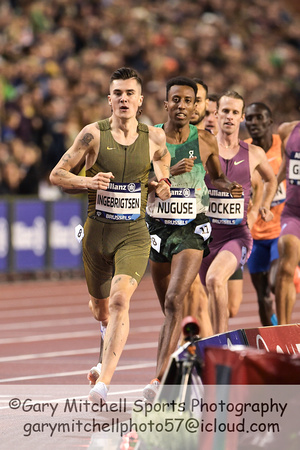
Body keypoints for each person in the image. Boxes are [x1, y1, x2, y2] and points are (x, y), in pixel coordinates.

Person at [49, 67, 171, 404]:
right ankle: (104, 338)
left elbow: (162, 168)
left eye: (130, 93)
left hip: (133, 234)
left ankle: (103, 382)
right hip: (96, 235)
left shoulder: (154, 139)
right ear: (109, 99)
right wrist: (88, 181)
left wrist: (162, 185)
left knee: (120, 301)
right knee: (101, 310)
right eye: (117, 93)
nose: (123, 99)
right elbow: (57, 174)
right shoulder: (93, 135)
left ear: (141, 100)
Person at [144, 78, 243, 400]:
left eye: (189, 100)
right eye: (177, 100)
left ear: (196, 105)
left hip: (193, 226)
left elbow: (218, 176)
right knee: (168, 309)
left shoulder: (205, 140)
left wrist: (229, 187)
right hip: (159, 227)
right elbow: (135, 179)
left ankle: (158, 382)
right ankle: (186, 364)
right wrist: (166, 173)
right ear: (166, 104)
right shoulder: (151, 138)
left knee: (175, 300)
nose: (183, 106)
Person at [199, 91, 277, 334]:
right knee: (209, 294)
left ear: (241, 117)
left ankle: (221, 345)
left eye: (235, 113)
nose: (230, 117)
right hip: (204, 237)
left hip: (237, 236)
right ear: (216, 114)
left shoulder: (253, 153)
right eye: (225, 111)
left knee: (215, 280)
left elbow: (270, 180)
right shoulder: (202, 149)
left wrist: (263, 204)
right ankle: (212, 342)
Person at [244, 102, 285, 326]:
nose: (253, 123)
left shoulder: (284, 146)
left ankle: (293, 273)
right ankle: (272, 341)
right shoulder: (243, 151)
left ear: (270, 121)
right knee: (262, 296)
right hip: (255, 234)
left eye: (259, 118)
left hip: (282, 228)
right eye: (249, 119)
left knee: (275, 284)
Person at [275, 120, 300, 324]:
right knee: (285, 265)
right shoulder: (287, 130)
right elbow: (284, 168)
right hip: (293, 213)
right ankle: (282, 331)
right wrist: (263, 197)